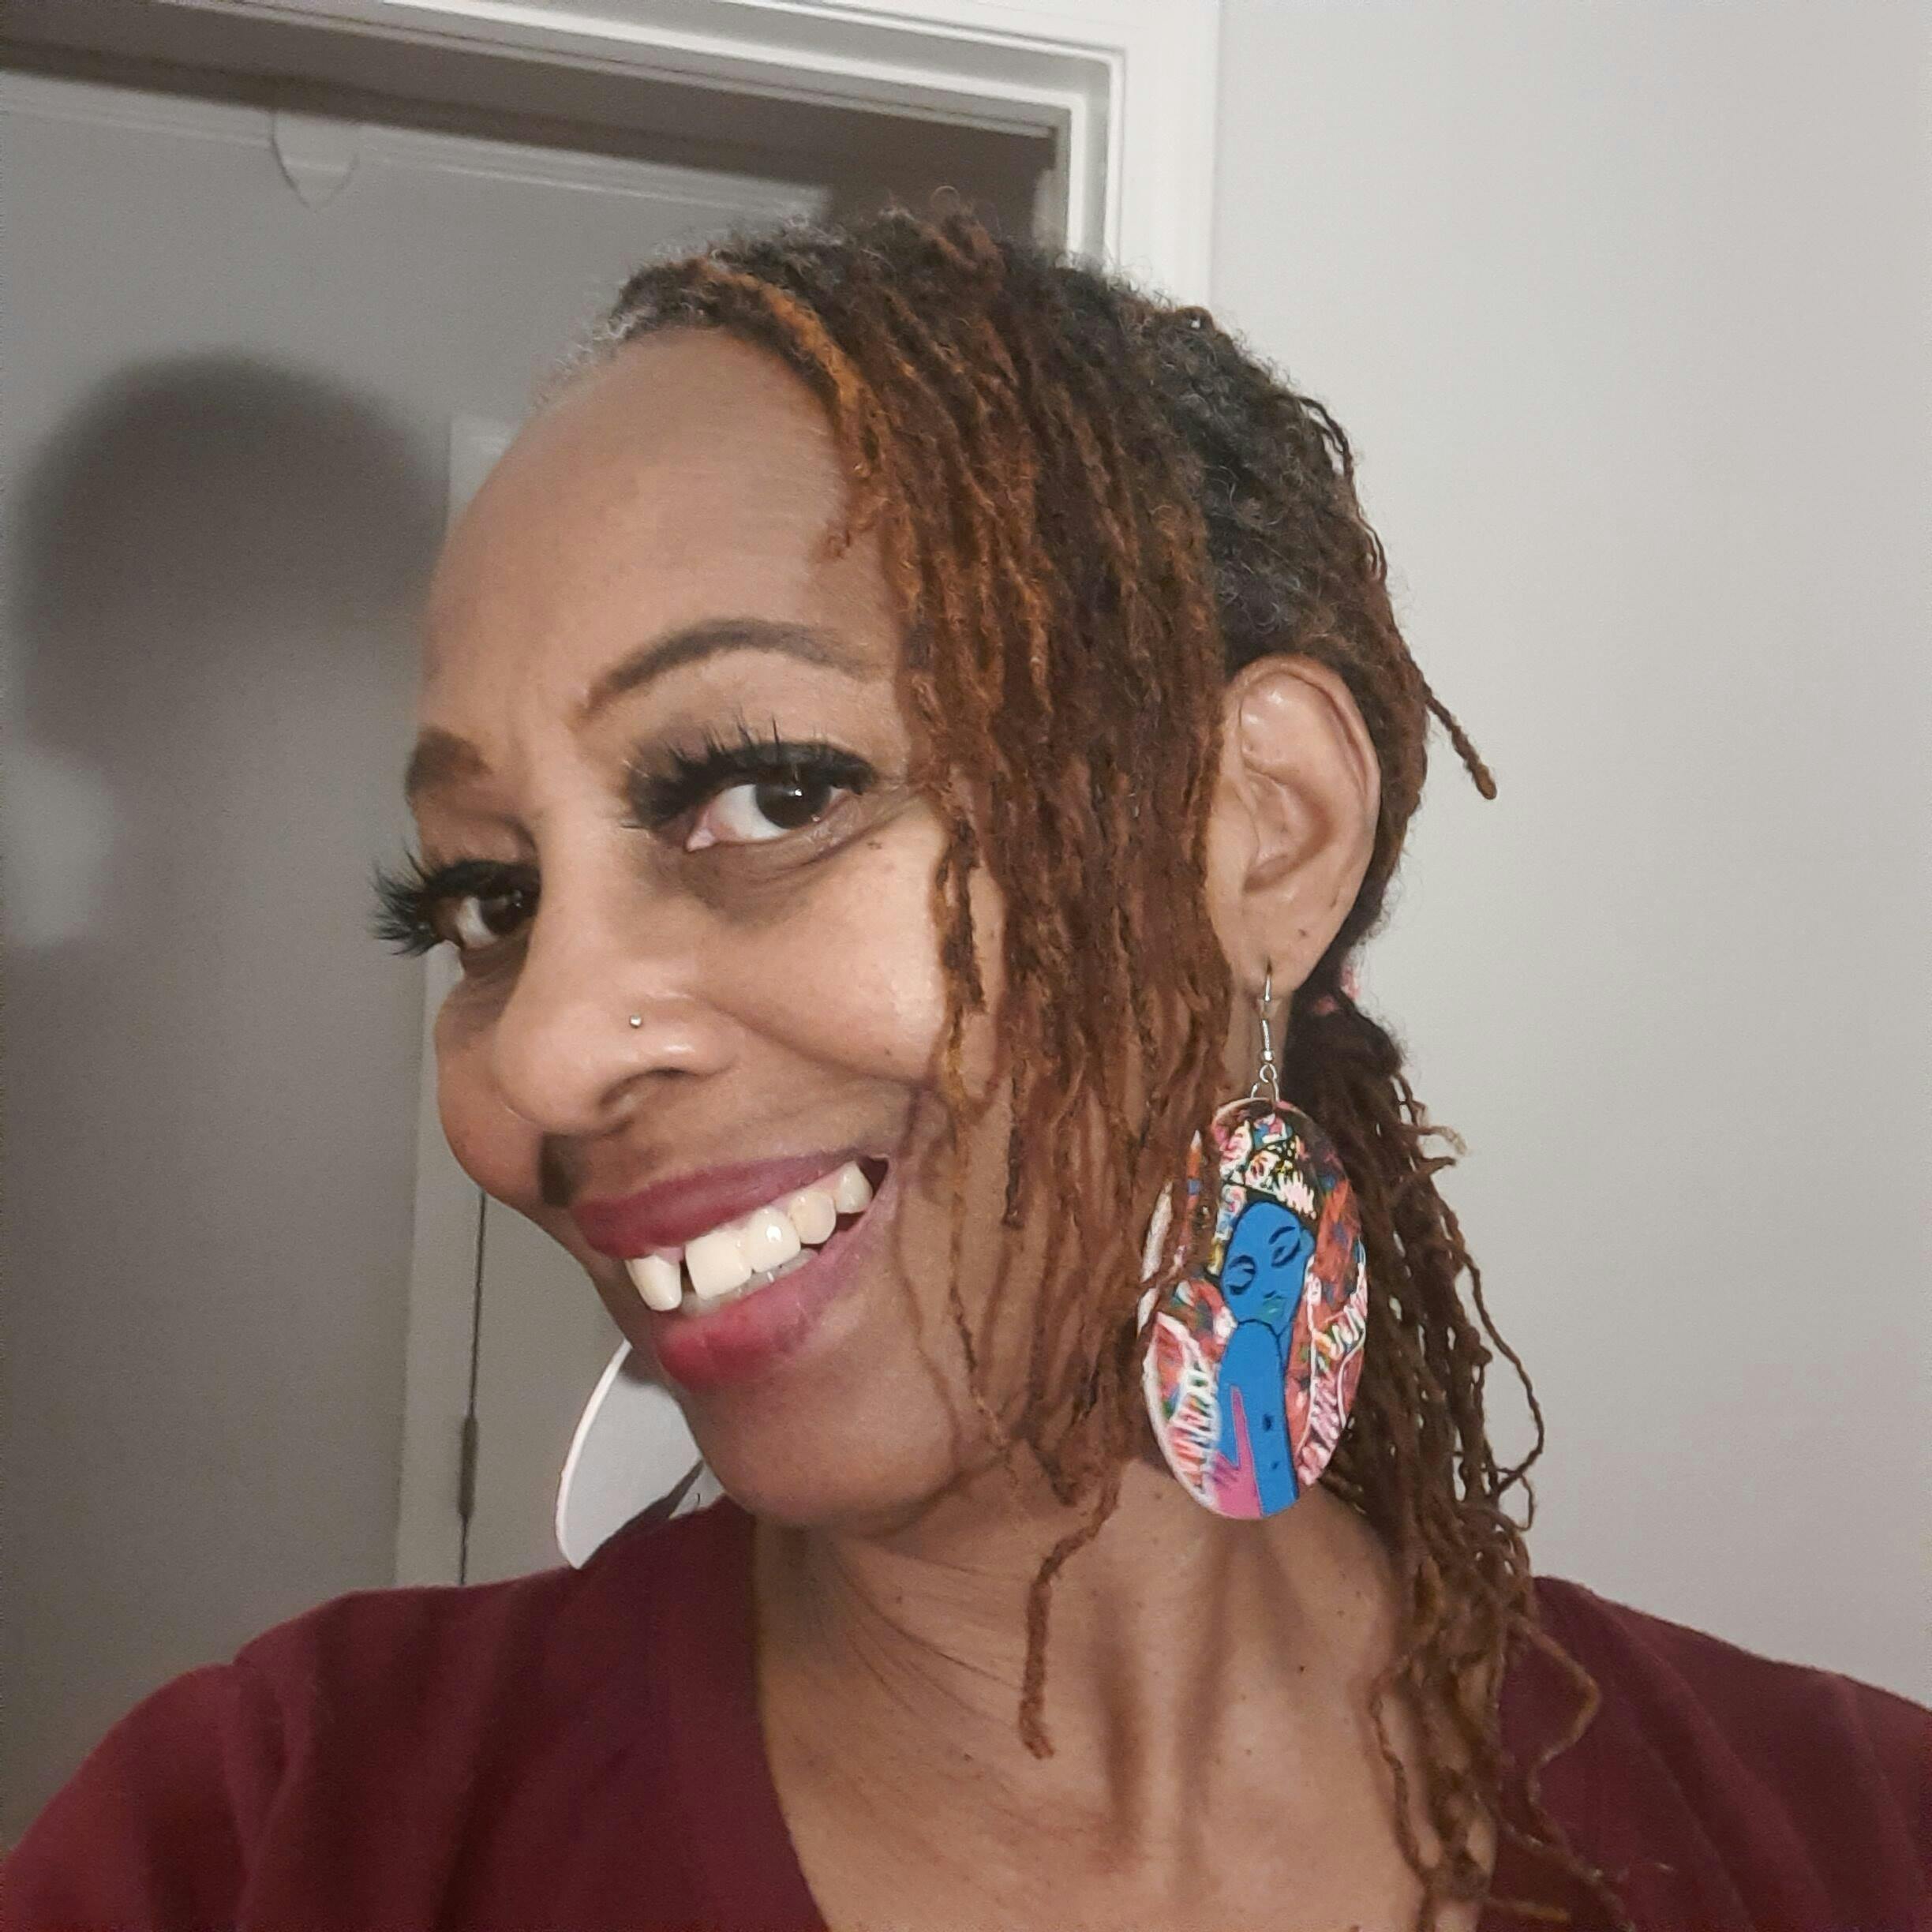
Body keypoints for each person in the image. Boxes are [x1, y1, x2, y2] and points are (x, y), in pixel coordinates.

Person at [6, 208, 1925, 1932]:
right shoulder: (268, 1842)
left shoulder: (1857, 1842)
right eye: (486, 901)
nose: (547, 1056)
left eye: (770, 793)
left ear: (1260, 833)